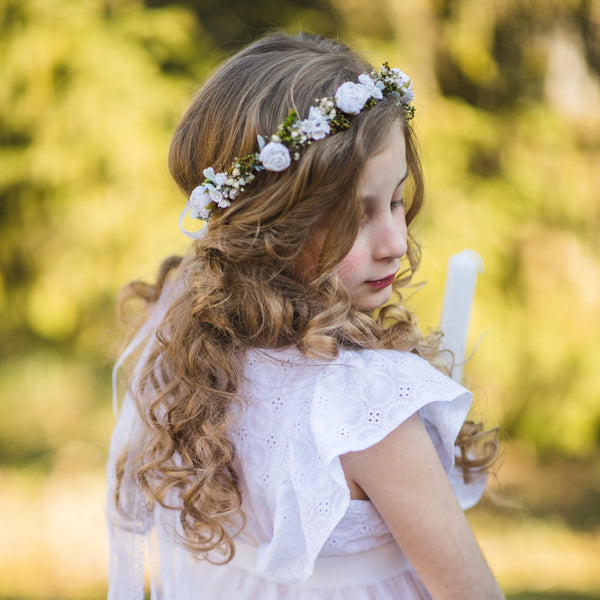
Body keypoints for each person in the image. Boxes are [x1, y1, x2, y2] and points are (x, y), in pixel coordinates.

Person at [106, 31, 504, 600]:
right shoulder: (366, 404)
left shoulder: (189, 339)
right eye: (354, 216)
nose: (396, 240)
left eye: (396, 199)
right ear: (270, 225)